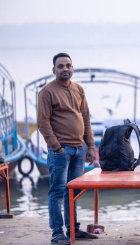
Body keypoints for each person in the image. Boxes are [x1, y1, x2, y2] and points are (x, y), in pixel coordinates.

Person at [37, 53, 98, 244]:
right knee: (57, 191)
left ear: (72, 68)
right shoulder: (47, 92)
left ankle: (73, 229)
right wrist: (56, 147)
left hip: (79, 149)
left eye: (68, 65)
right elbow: (43, 122)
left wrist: (90, 146)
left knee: (73, 191)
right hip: (60, 151)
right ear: (54, 70)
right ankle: (57, 233)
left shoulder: (78, 89)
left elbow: (86, 118)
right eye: (60, 66)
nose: (65, 69)